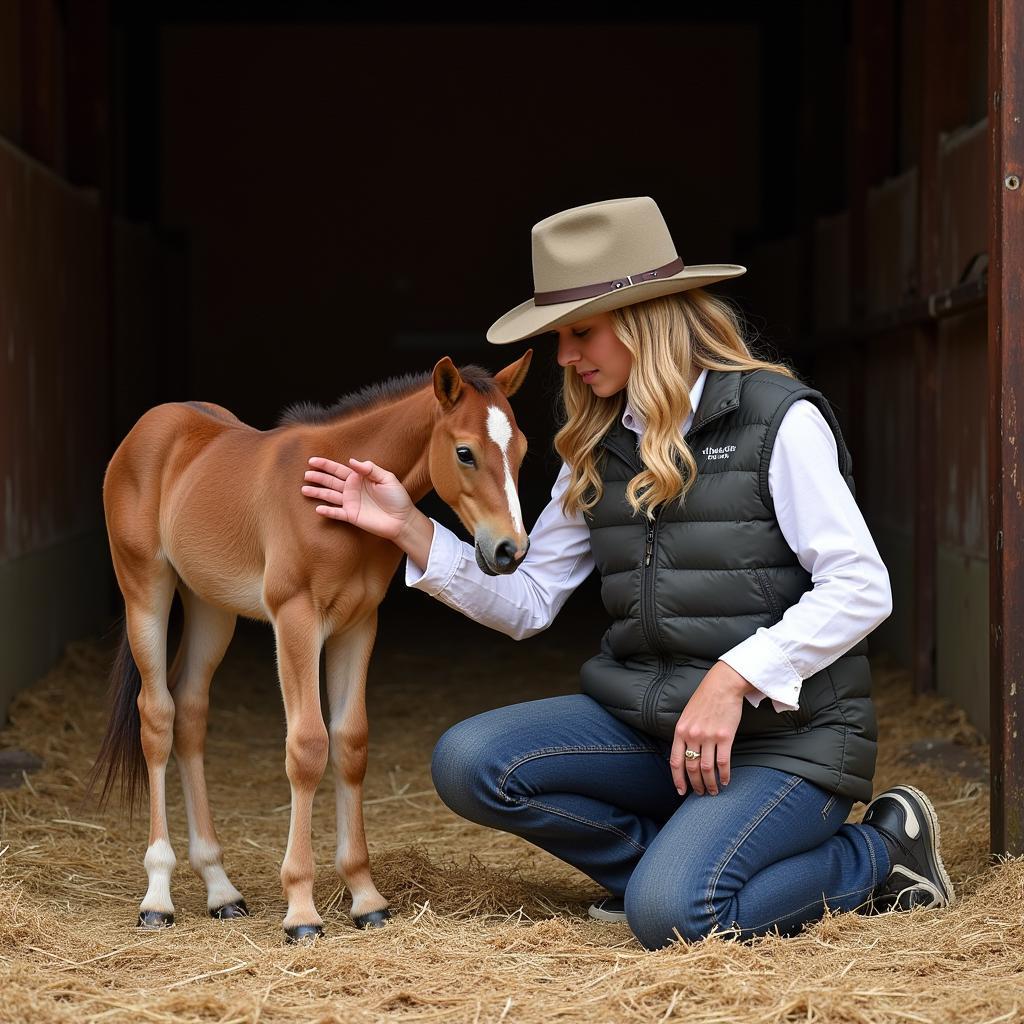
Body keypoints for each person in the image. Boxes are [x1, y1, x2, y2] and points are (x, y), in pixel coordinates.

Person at [300, 196, 954, 948]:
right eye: (559, 336)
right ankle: (666, 865)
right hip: (654, 729)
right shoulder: (596, 439)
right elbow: (530, 600)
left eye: (582, 332)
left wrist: (734, 676)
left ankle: (878, 856)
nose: (566, 355)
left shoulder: (777, 418)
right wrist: (410, 527)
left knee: (677, 918)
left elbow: (862, 588)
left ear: (648, 317)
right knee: (470, 761)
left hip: (788, 740)